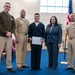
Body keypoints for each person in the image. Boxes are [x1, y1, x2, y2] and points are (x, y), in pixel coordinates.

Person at [0, 2, 16, 72]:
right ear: (4, 7)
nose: (7, 8)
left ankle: (9, 66)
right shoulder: (0, 15)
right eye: (6, 6)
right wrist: (5, 32)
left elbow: (14, 27)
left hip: (9, 37)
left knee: (9, 52)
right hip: (1, 36)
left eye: (9, 7)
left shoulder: (12, 17)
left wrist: (10, 33)